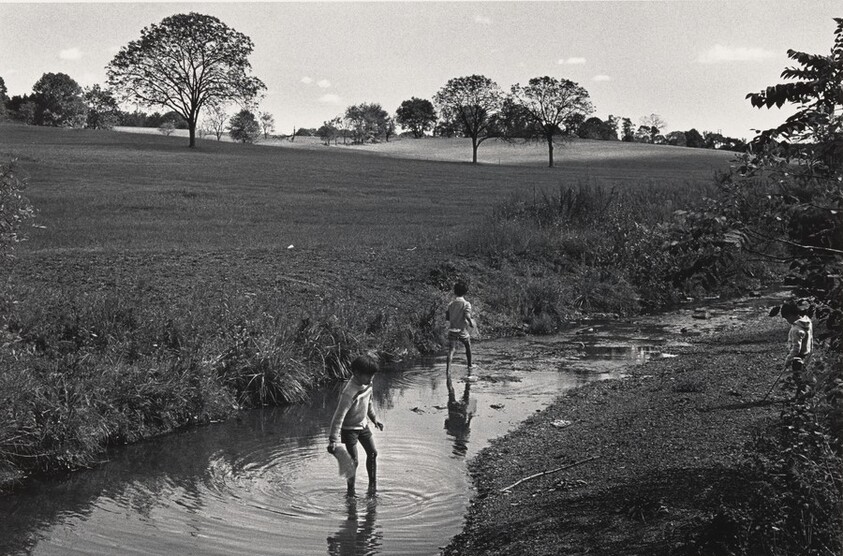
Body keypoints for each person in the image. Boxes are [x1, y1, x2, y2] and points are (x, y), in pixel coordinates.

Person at [328, 355, 384, 497]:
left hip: (363, 425)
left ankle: (372, 486)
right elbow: (339, 416)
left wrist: (374, 419)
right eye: (368, 375)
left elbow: (369, 403)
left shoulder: (368, 384)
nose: (371, 378)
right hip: (349, 429)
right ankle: (351, 491)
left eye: (373, 375)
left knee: (373, 453)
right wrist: (333, 439)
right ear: (357, 373)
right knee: (354, 461)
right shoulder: (349, 393)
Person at [445, 280, 475, 373]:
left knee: (451, 349)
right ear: (465, 292)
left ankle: (448, 370)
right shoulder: (466, 304)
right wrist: (471, 323)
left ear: (455, 292)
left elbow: (447, 318)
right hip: (462, 330)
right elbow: (467, 316)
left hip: (452, 329)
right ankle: (470, 365)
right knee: (468, 346)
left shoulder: (451, 304)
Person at [781, 298, 813, 373]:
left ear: (791, 315)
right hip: (807, 354)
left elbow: (796, 348)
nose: (787, 321)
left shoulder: (796, 330)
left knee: (797, 374)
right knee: (804, 373)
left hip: (798, 357)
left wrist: (788, 360)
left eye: (787, 318)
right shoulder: (807, 321)